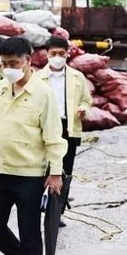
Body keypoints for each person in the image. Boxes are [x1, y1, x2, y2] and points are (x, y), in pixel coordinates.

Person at [0, 36, 67, 255]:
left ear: (28, 61)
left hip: (30, 174)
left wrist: (55, 172)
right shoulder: (0, 88)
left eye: (14, 63)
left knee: (30, 231)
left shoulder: (43, 94)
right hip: (1, 170)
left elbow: (54, 135)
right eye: (4, 63)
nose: (9, 68)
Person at [36, 36, 92, 206]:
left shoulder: (77, 77)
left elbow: (86, 100)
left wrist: (83, 109)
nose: (57, 57)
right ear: (46, 54)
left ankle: (57, 211)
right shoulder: (37, 78)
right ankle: (39, 206)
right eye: (53, 53)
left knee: (64, 172)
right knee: (43, 170)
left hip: (68, 127)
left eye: (61, 53)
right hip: (44, 129)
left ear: (68, 54)